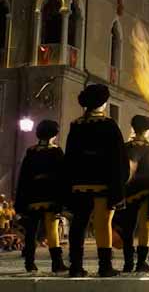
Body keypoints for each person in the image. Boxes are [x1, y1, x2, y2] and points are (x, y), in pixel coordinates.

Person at [64, 84, 128, 277]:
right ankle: (104, 266)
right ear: (104, 103)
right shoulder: (109, 125)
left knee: (78, 224)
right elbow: (118, 157)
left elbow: (70, 156)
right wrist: (120, 180)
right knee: (103, 224)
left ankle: (75, 266)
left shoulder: (76, 125)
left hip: (80, 183)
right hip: (103, 183)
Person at [14, 120, 68, 273]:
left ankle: (29, 263)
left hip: (32, 196)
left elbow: (23, 177)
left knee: (31, 232)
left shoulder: (31, 151)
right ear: (54, 134)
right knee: (52, 229)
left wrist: (21, 201)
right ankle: (57, 263)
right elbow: (62, 177)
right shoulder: (56, 151)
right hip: (50, 195)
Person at [116, 115, 149, 273]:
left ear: (133, 129)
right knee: (146, 227)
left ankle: (128, 263)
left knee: (127, 228)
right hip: (147, 194)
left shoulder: (124, 147)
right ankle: (141, 263)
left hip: (128, 194)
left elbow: (119, 172)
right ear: (147, 131)